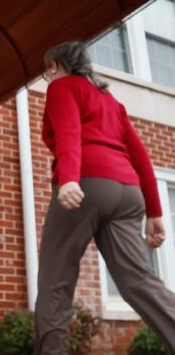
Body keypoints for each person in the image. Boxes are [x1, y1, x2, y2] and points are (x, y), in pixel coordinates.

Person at [34, 41, 175, 353]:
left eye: (47, 72)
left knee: (55, 279)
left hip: (88, 183)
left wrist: (70, 178)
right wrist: (154, 212)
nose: (48, 77)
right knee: (137, 280)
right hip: (128, 192)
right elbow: (140, 156)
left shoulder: (62, 88)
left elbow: (69, 132)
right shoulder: (111, 101)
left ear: (55, 65)